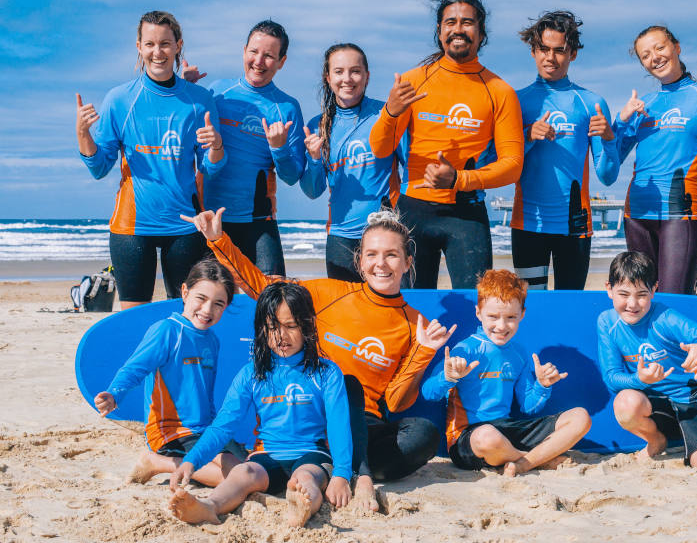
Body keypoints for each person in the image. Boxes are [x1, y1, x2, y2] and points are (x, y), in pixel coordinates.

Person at [183, 207, 454, 509]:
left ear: (407, 262)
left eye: (391, 255)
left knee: (423, 433)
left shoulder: (416, 323)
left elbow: (395, 402)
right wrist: (218, 241)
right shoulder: (329, 293)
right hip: (309, 413)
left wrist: (424, 351)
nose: (381, 264)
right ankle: (348, 473)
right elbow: (265, 290)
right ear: (360, 262)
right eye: (372, 254)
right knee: (228, 438)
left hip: (361, 427)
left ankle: (347, 467)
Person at [369, 0, 524, 289]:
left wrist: (458, 180)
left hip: (466, 215)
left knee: (473, 306)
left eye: (467, 22)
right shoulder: (414, 80)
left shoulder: (499, 91)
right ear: (439, 31)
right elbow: (380, 148)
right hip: (414, 210)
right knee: (412, 308)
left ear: (481, 32)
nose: (458, 29)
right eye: (450, 22)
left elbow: (513, 164)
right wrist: (390, 111)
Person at [167, 281, 353, 527]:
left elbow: (340, 426)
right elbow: (223, 426)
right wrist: (192, 460)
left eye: (291, 326)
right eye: (272, 327)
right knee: (242, 473)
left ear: (308, 325)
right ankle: (209, 507)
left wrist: (341, 473)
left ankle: (303, 508)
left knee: (305, 478)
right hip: (266, 455)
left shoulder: (326, 373)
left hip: (312, 454)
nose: (281, 336)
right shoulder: (252, 374)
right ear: (262, 330)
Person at [76, 10, 226, 308]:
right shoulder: (120, 99)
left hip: (184, 225)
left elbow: (209, 168)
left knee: (186, 317)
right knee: (134, 321)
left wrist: (217, 146)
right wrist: (83, 134)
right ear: (139, 47)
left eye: (165, 44)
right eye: (150, 44)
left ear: (178, 45)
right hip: (132, 227)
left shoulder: (199, 100)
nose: (157, 52)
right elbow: (100, 166)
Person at [613, 25, 697, 295]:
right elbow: (611, 161)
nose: (654, 58)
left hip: (680, 212)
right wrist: (621, 120)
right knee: (642, 301)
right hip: (636, 213)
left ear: (677, 47)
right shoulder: (644, 103)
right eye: (645, 55)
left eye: (660, 48)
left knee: (674, 299)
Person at [597, 251, 697, 466]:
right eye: (624, 294)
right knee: (626, 402)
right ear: (609, 289)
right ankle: (656, 441)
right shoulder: (607, 323)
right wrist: (640, 380)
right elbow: (611, 377)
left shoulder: (665, 318)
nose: (632, 304)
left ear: (654, 290)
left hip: (692, 398)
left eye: (642, 294)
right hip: (654, 405)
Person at [422, 269, 590, 475]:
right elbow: (428, 392)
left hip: (507, 430)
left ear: (522, 314)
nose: (501, 326)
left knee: (580, 417)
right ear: (478, 312)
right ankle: (537, 459)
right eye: (493, 316)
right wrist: (448, 377)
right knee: (488, 437)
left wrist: (542, 385)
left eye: (511, 317)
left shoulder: (518, 352)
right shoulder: (465, 350)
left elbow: (528, 407)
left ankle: (523, 463)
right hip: (468, 437)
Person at [93, 259, 241, 485]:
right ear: (184, 292)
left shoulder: (212, 340)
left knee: (246, 467)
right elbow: (134, 369)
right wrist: (114, 394)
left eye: (218, 303)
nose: (207, 310)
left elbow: (205, 392)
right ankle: (156, 462)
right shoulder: (168, 331)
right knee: (232, 477)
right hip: (171, 431)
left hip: (203, 429)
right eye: (201, 299)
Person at [512, 10, 620, 289]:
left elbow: (607, 176)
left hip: (575, 227)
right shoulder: (517, 102)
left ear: (572, 53)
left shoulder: (590, 103)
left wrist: (609, 138)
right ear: (533, 51)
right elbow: (498, 161)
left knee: (568, 308)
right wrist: (528, 136)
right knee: (530, 307)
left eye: (559, 50)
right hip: (528, 225)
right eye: (544, 50)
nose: (551, 58)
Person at [194, 20, 306, 276]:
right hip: (212, 220)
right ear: (244, 50)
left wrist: (278, 149)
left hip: (259, 222)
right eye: (254, 52)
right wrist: (186, 87)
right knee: (211, 304)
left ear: (282, 61)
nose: (259, 61)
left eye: (269, 55)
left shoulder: (287, 107)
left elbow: (291, 176)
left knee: (272, 299)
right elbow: (204, 163)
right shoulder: (217, 93)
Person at [300, 43, 405, 281]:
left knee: (387, 311)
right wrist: (315, 159)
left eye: (355, 71)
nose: (347, 78)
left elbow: (409, 171)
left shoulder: (385, 115)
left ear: (367, 76)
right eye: (338, 71)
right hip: (340, 237)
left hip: (384, 234)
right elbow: (312, 190)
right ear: (328, 77)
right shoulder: (318, 125)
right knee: (346, 313)